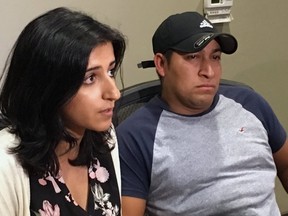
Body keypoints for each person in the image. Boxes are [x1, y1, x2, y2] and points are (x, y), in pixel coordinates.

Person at [116, 11, 288, 215]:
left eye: (215, 57)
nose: (209, 71)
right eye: (193, 57)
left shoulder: (250, 104)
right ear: (161, 64)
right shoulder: (135, 136)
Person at [0, 7, 126, 216]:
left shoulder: (104, 138)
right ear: (49, 86)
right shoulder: (6, 163)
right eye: (90, 78)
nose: (114, 93)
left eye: (111, 71)